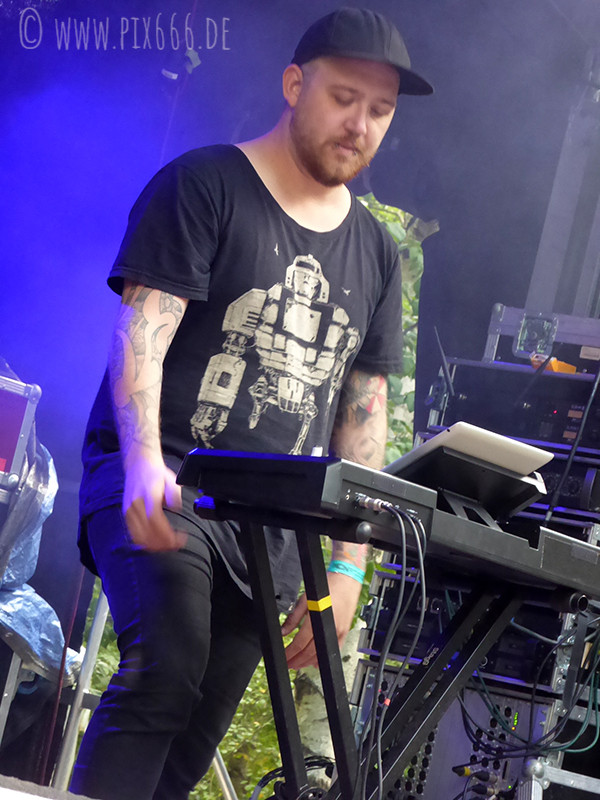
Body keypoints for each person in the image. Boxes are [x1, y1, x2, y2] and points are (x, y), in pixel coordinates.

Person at [70, 7, 433, 799]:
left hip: (272, 530)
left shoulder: (377, 252)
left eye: (380, 110)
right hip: (169, 479)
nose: (360, 124)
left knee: (196, 730)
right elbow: (142, 335)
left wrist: (348, 565)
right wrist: (141, 466)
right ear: (294, 85)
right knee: (165, 672)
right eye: (344, 98)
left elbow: (363, 415)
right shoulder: (205, 184)